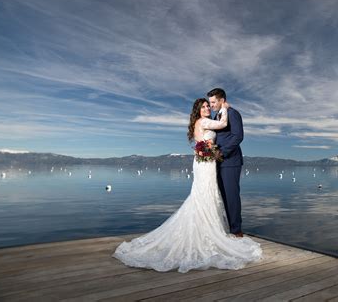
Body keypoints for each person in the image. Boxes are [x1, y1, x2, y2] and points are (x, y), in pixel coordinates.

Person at [112, 98, 262, 273]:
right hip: (205, 163)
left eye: (208, 105)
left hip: (205, 162)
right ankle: (207, 232)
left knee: (205, 194)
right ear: (198, 110)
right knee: (205, 194)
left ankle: (207, 228)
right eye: (204, 106)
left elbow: (204, 142)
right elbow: (222, 124)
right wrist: (226, 109)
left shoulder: (199, 123)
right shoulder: (204, 120)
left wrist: (209, 149)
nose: (207, 108)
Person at [207, 88, 244, 237]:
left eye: (213, 102)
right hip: (218, 162)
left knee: (232, 196)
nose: (211, 106)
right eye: (210, 103)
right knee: (222, 196)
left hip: (230, 161)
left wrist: (222, 152)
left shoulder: (233, 114)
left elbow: (238, 136)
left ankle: (236, 230)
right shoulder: (217, 117)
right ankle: (228, 228)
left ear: (222, 100)